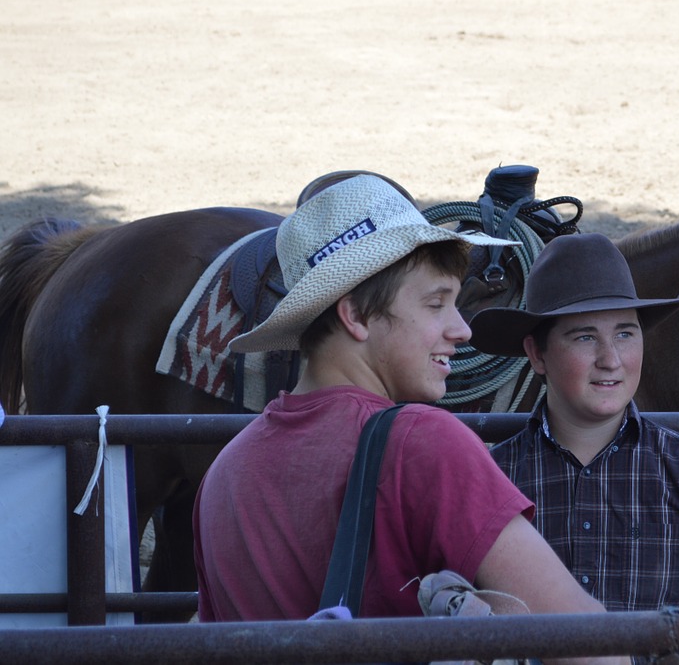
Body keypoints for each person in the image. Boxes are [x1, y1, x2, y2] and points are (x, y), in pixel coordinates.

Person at [192, 174, 626, 665]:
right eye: (436, 303)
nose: (462, 329)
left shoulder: (225, 472)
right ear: (355, 315)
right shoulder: (422, 443)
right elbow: (591, 648)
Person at [468, 233, 679, 663]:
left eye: (625, 333)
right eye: (584, 337)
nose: (610, 358)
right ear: (537, 354)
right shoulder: (491, 484)